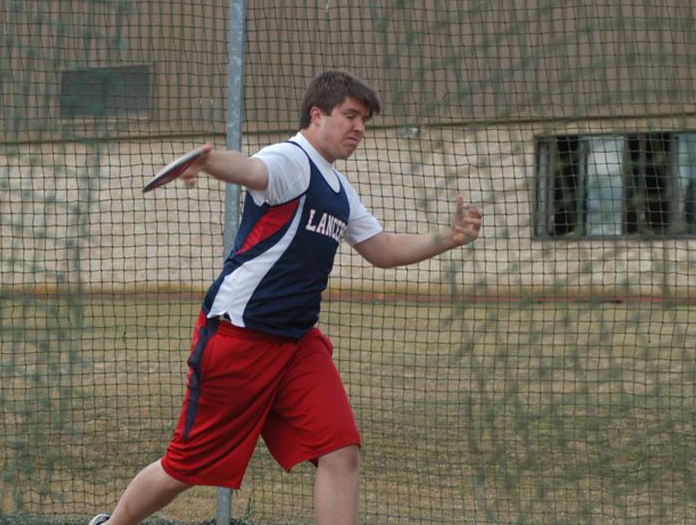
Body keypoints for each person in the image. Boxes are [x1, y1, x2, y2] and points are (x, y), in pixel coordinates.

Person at [88, 70, 483, 525]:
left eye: (365, 120)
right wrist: (211, 162)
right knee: (185, 468)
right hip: (240, 337)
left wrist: (449, 238)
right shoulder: (291, 159)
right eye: (350, 115)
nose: (359, 128)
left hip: (297, 343)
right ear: (317, 115)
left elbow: (381, 249)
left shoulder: (338, 188)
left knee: (340, 450)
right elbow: (255, 171)